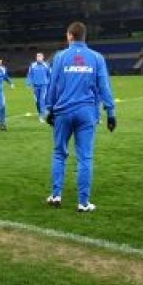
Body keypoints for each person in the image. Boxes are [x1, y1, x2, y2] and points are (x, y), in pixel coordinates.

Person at [43, 22, 116, 212]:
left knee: (59, 153)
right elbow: (104, 87)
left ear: (69, 36)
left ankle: (56, 195)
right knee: (85, 158)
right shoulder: (97, 58)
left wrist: (49, 109)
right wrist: (111, 113)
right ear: (85, 36)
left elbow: (52, 85)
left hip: (63, 112)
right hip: (86, 113)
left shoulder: (60, 57)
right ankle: (83, 203)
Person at [26, 52, 51, 122]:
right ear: (36, 58)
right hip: (35, 86)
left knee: (42, 100)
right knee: (37, 101)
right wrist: (28, 83)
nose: (39, 58)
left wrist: (48, 82)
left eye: (40, 57)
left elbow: (50, 75)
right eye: (37, 57)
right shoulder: (32, 65)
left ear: (43, 58)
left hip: (44, 86)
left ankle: (42, 116)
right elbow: (29, 75)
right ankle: (41, 113)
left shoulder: (46, 65)